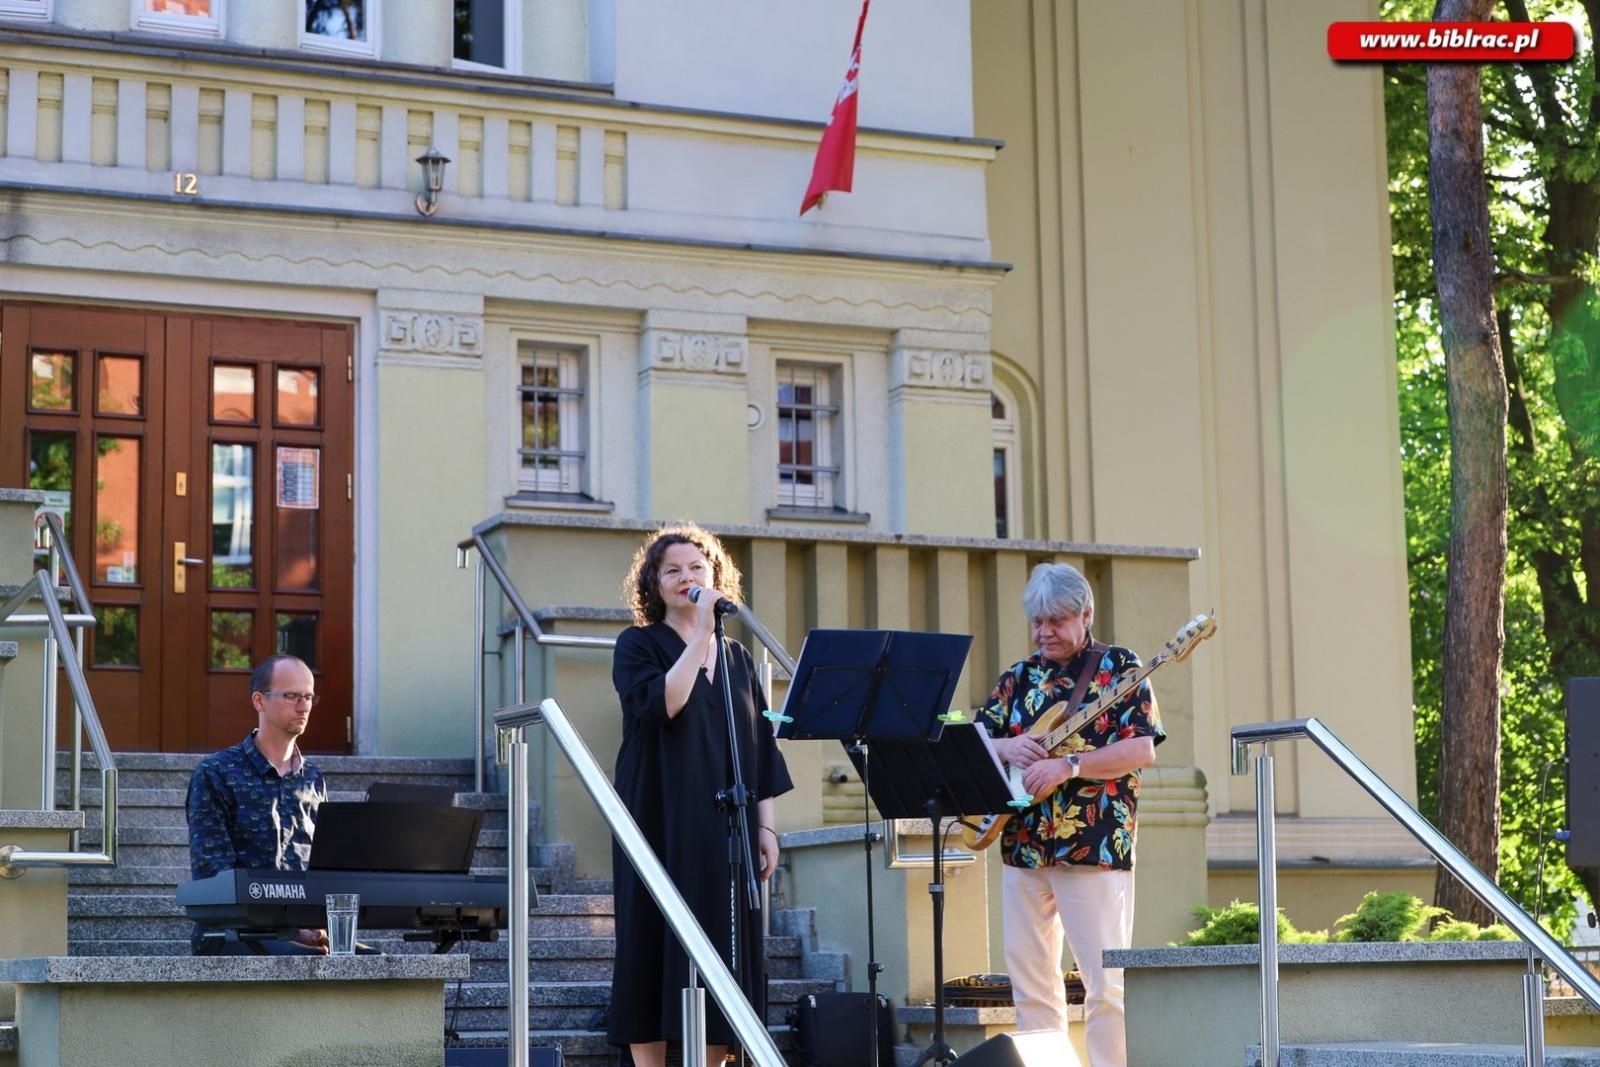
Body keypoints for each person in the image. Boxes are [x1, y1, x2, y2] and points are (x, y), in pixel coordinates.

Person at [607, 523, 794, 1067]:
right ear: (654, 582)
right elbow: (664, 703)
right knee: (650, 938)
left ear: (715, 575)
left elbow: (761, 748)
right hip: (657, 817)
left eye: (696, 568)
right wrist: (701, 636)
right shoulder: (638, 644)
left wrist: (765, 827)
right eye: (673, 570)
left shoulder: (738, 658)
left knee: (723, 946)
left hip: (725, 829)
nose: (686, 577)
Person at [977, 563, 1163, 1067]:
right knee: (1031, 985)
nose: (1044, 632)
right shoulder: (1017, 678)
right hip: (1022, 845)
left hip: (1093, 847)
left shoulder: (1121, 668)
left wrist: (1070, 765)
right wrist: (1007, 745)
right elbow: (974, 741)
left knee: (1106, 986)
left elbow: (1142, 748)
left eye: (1056, 621)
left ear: (1086, 614)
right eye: (1037, 622)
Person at [186, 653, 330, 955]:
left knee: (378, 967)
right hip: (233, 935)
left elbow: (323, 869)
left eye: (308, 697)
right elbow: (215, 877)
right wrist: (289, 928)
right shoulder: (217, 773)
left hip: (302, 932)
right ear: (259, 701)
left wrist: (317, 925)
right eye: (291, 696)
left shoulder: (313, 779)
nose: (303, 707)